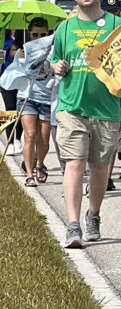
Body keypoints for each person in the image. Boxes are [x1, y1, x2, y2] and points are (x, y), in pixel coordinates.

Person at [51, 0, 121, 248]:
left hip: (106, 108)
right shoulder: (65, 28)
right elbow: (55, 60)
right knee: (74, 163)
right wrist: (56, 66)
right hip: (72, 107)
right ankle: (73, 224)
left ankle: (93, 214)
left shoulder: (116, 25)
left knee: (100, 167)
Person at [16, 18, 56, 185]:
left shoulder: (54, 50)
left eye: (42, 34)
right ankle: (29, 175)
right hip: (27, 97)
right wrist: (22, 61)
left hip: (46, 99)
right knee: (30, 135)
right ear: (29, 34)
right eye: (35, 34)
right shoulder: (24, 50)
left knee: (43, 140)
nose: (38, 37)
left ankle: (40, 163)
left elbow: (56, 72)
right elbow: (14, 74)